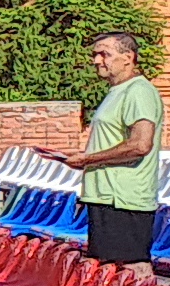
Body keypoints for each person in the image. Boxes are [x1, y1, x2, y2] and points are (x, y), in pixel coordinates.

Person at [50, 33, 164, 267]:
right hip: (105, 197)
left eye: (104, 54)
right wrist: (81, 157)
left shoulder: (138, 91)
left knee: (129, 271)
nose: (96, 61)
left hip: (124, 199)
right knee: (107, 273)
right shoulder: (117, 91)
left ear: (128, 57)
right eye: (95, 55)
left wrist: (88, 159)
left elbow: (141, 144)